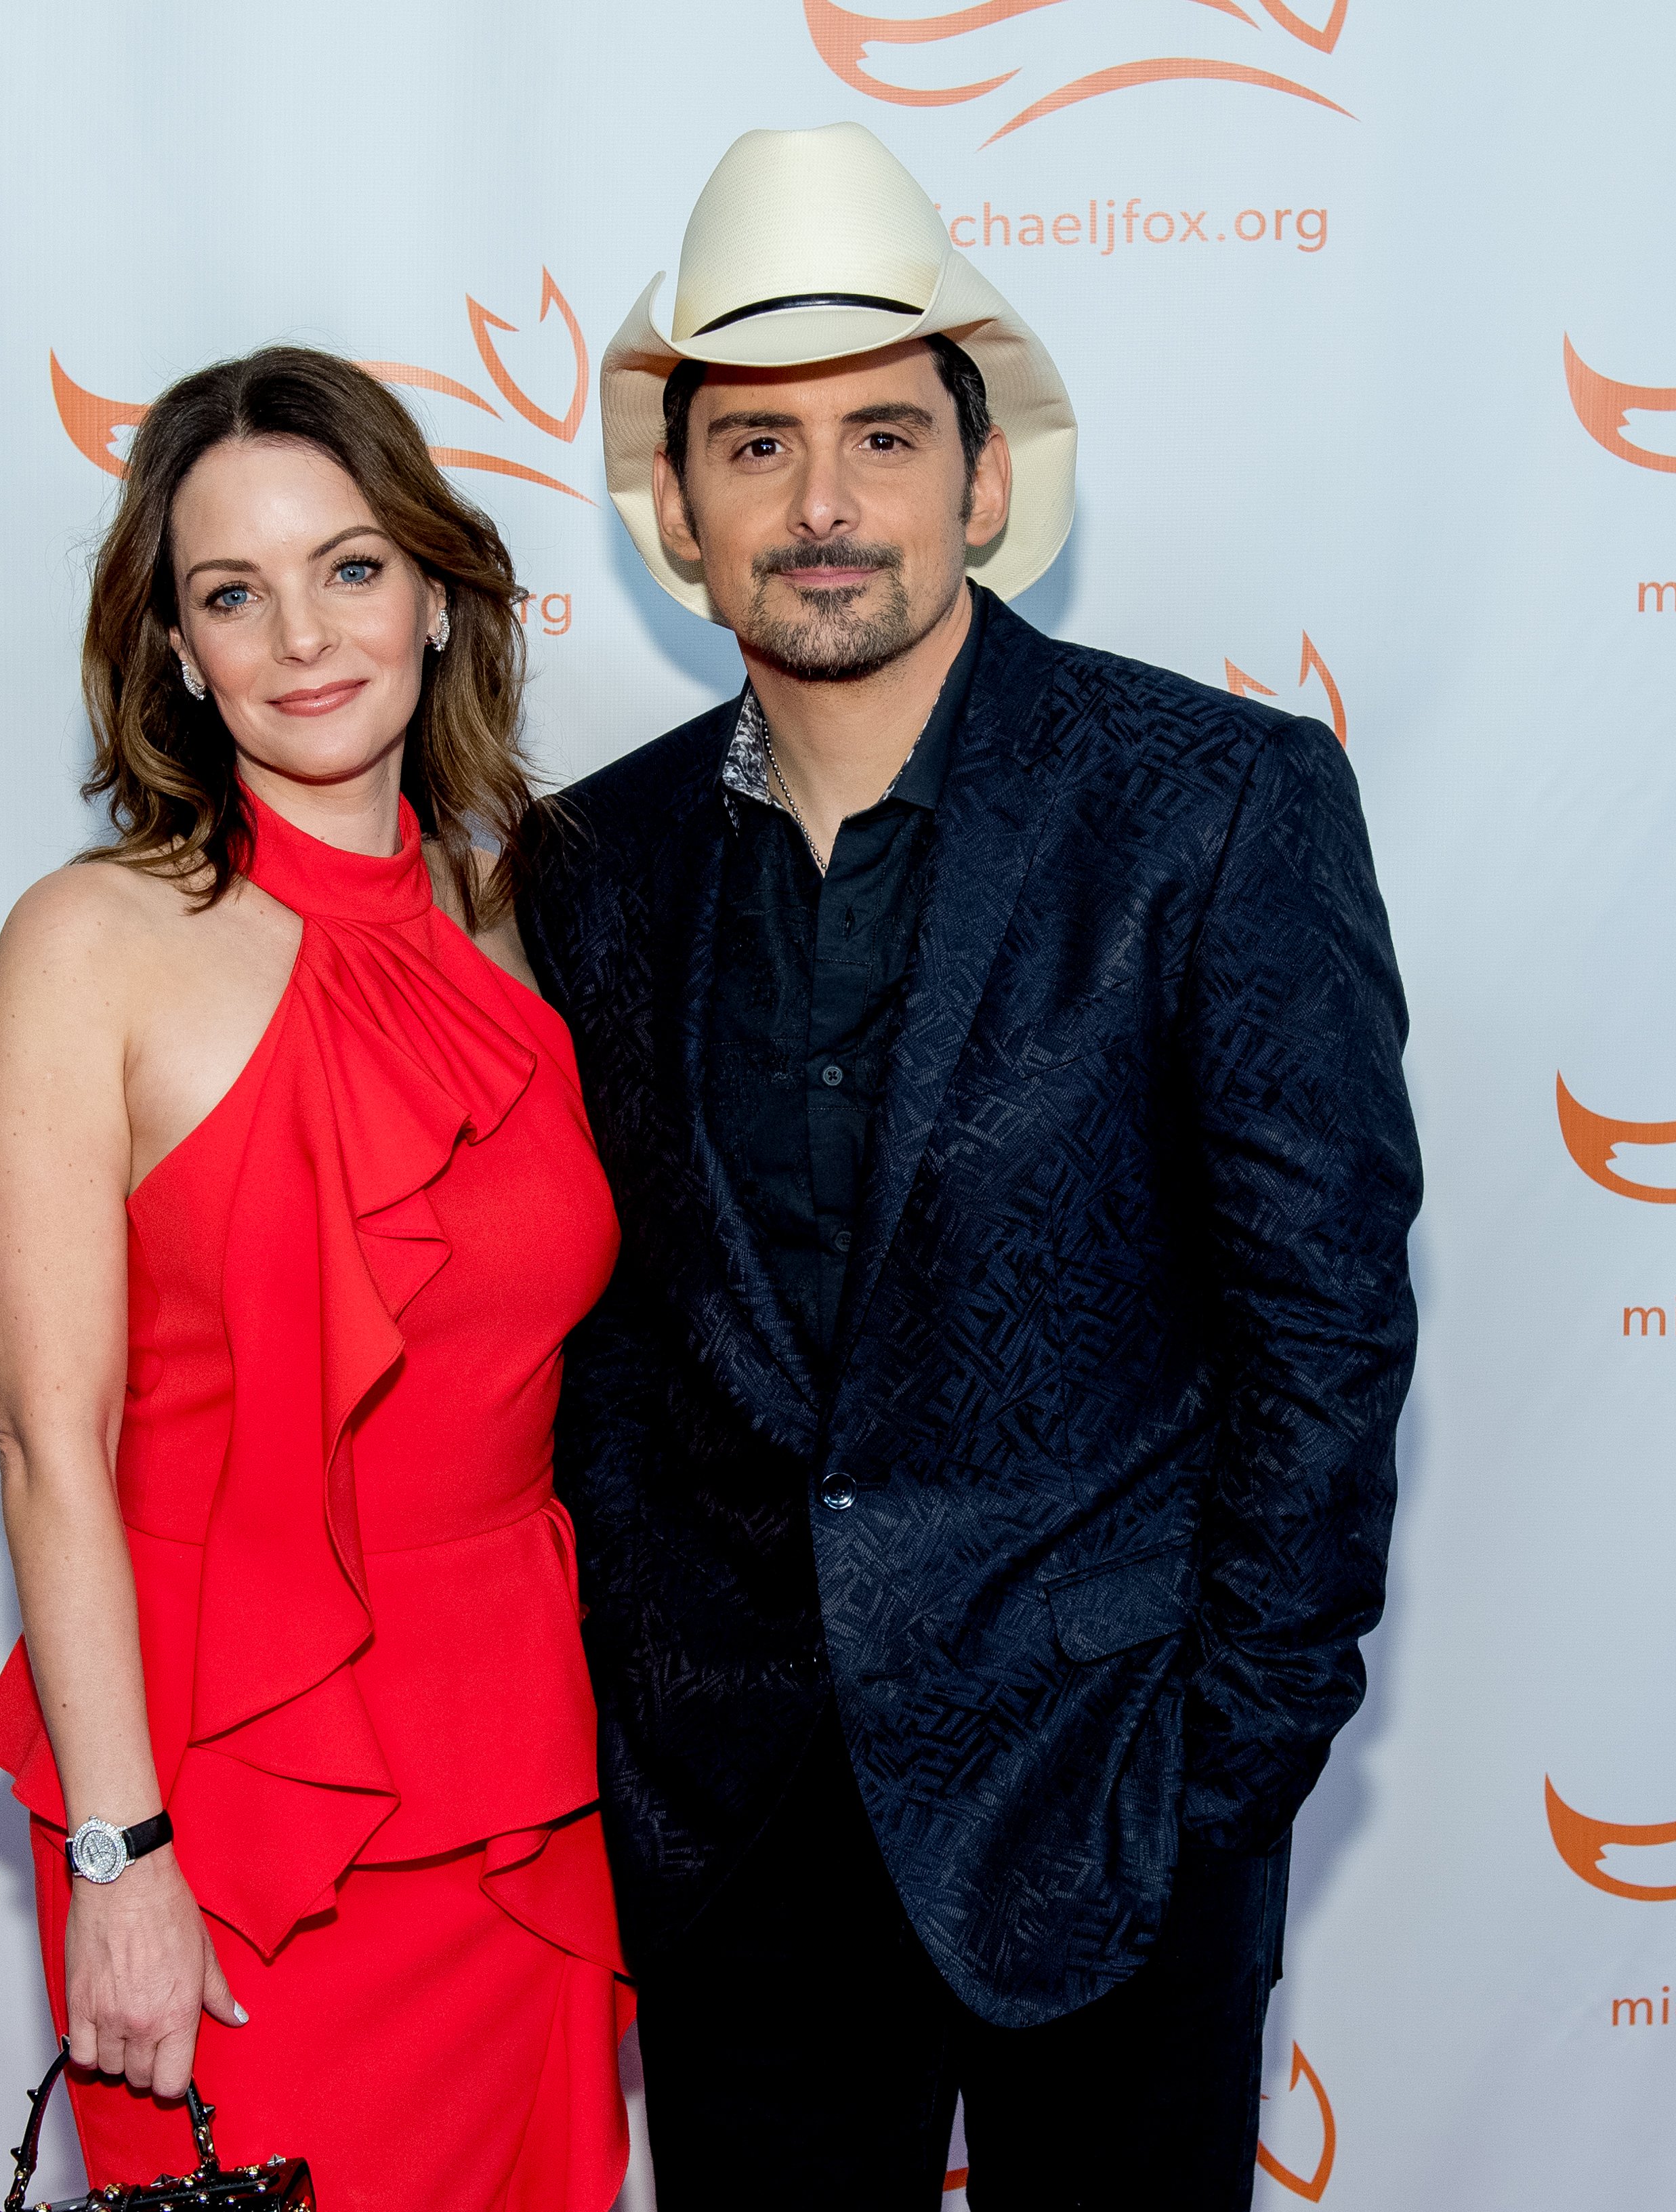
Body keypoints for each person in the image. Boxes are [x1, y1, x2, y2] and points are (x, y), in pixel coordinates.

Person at [518, 125, 1423, 2207]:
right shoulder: (586, 867)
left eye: (880, 438)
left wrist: (1221, 1768)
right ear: (675, 508)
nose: (821, 504)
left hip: (1105, 1789)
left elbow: (1325, 1328)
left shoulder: (1210, 806)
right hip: (729, 1817)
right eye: (752, 447)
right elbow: (601, 1337)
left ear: (983, 478)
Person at [0, 346, 628, 2209]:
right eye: (228, 592)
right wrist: (120, 1861)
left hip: (520, 1793)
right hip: (225, 1807)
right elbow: (50, 1446)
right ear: (174, 647)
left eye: (347, 567)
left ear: (435, 588)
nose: (301, 636)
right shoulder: (90, 943)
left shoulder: (521, 921)